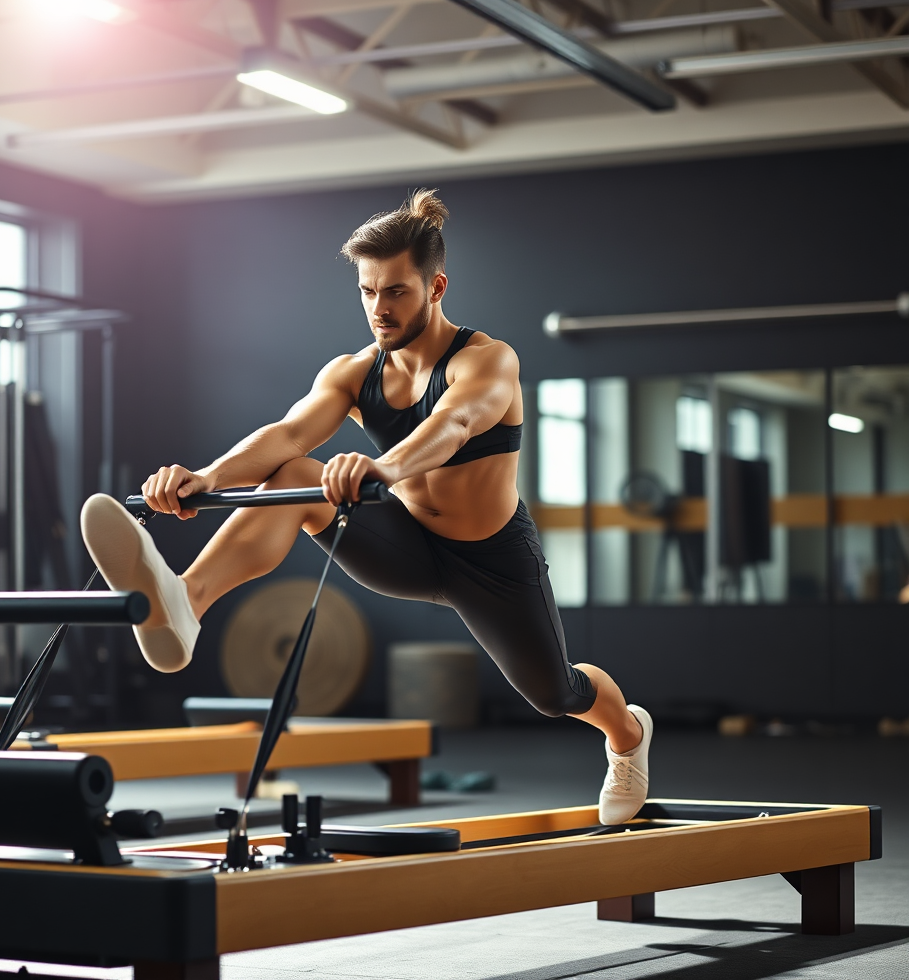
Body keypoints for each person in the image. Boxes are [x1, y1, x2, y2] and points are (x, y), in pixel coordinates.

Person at [81, 189, 652, 825]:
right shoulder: (354, 372)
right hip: (404, 546)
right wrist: (206, 478)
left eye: (396, 292)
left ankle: (627, 735)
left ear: (436, 286)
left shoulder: (488, 359)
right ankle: (186, 602)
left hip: (491, 559)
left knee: (554, 693)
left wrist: (382, 467)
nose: (379, 309)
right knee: (297, 473)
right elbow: (289, 434)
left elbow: (455, 424)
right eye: (367, 292)